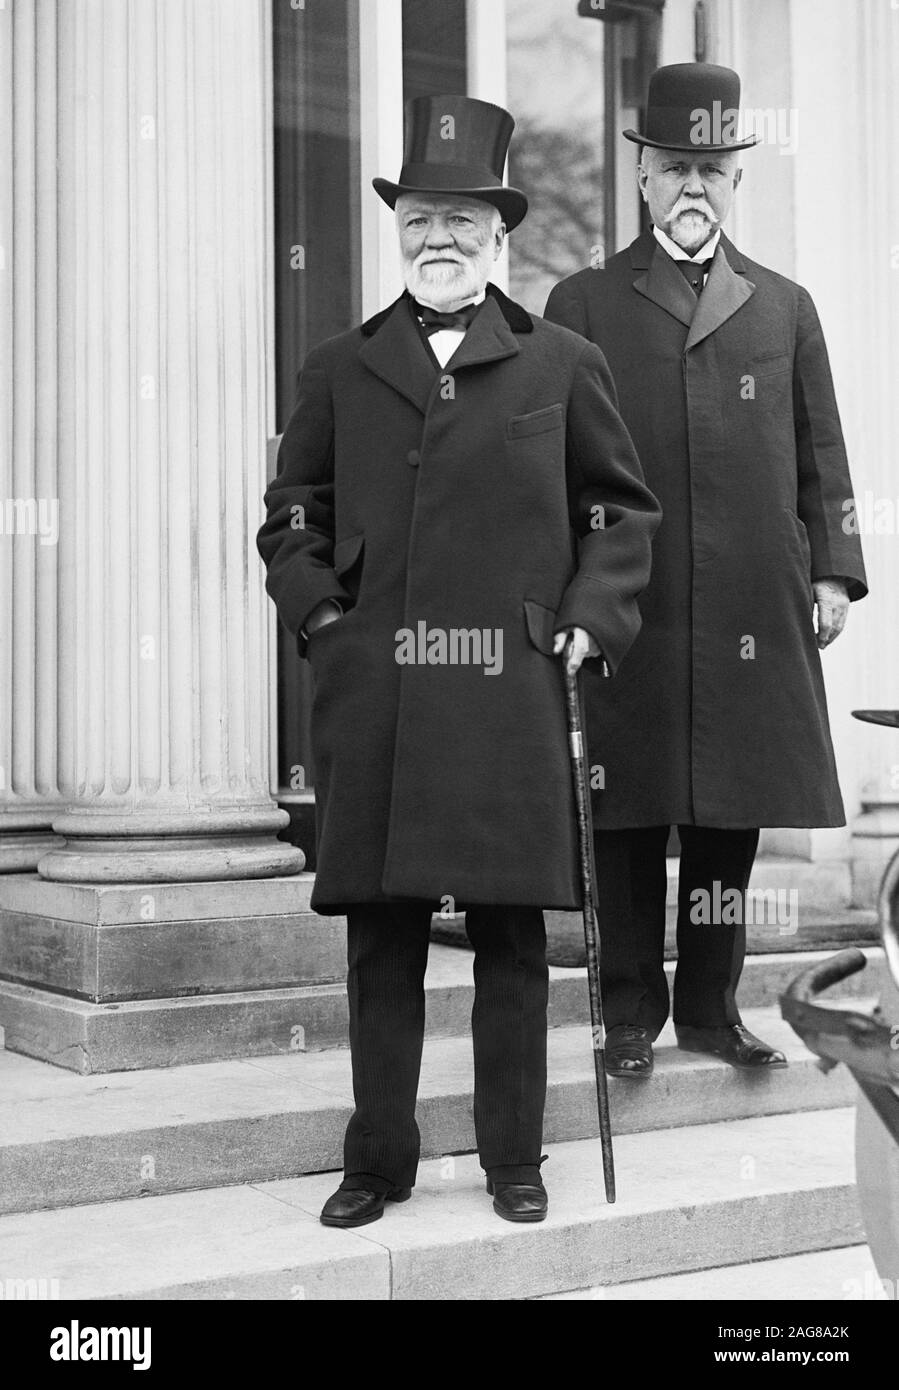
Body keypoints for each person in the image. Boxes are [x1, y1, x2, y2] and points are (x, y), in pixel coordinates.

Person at [257, 95, 659, 1228]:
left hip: (505, 696)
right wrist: (324, 617)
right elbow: (292, 513)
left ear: (499, 238)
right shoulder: (338, 366)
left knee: (509, 939)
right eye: (420, 220)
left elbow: (620, 514)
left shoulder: (561, 363)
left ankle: (512, 1159)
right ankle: (374, 1160)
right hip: (374, 694)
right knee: (381, 942)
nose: (439, 241)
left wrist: (592, 613)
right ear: (399, 231)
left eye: (461, 223)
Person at [545, 63, 867, 1079]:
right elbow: (555, 461)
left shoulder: (784, 306)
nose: (694, 186)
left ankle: (709, 1011)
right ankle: (625, 1016)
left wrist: (831, 573)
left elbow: (821, 452)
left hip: (749, 601)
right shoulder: (583, 301)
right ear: (641, 175)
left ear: (736, 179)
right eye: (674, 165)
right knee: (630, 809)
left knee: (729, 812)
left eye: (713, 168)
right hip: (632, 599)